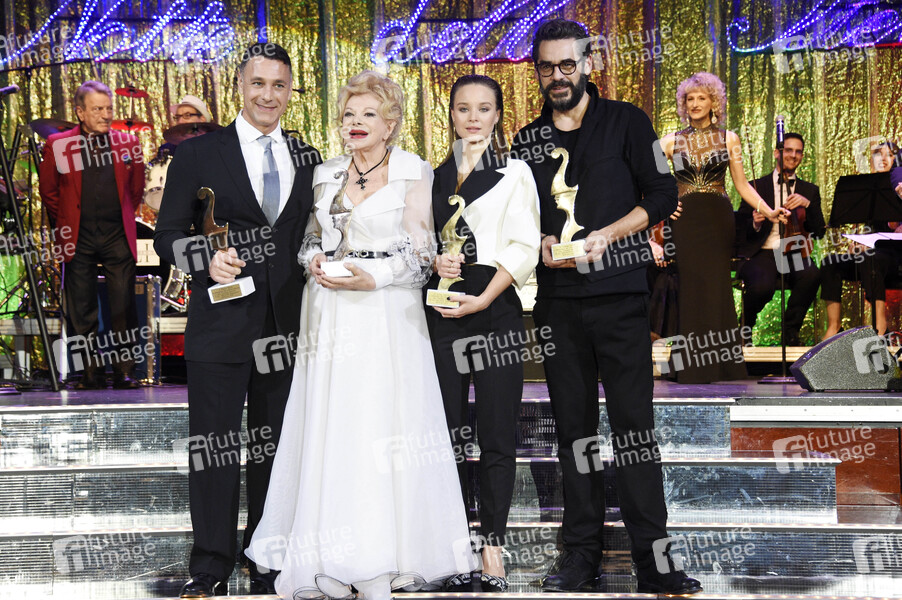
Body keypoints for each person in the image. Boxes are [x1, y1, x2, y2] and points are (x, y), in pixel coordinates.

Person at [246, 70, 476, 600]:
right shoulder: (325, 172)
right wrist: (314, 261)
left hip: (386, 309)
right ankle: (324, 553)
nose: (356, 123)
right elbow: (308, 239)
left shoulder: (413, 170)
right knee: (332, 424)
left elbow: (421, 251)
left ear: (390, 123)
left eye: (368, 114)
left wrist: (377, 277)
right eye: (349, 114)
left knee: (382, 424)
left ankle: (387, 555)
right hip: (328, 308)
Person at [510, 18, 701, 595]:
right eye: (547, 67)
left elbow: (662, 194)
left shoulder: (628, 121)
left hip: (620, 297)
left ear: (588, 64)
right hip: (558, 304)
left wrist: (611, 234)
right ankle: (579, 557)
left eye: (568, 64)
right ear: (537, 71)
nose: (558, 76)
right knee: (574, 435)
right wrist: (541, 240)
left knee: (635, 430)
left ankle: (656, 563)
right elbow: (520, 219)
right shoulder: (526, 140)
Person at [153, 42, 321, 597]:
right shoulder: (198, 154)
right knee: (214, 449)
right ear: (240, 87)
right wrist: (206, 257)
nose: (268, 95)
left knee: (276, 450)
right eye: (258, 83)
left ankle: (267, 556)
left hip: (287, 326)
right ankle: (210, 565)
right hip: (220, 325)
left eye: (279, 85)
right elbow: (167, 235)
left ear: (290, 91)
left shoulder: (308, 155)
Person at [425, 74, 541, 593]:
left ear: (497, 115)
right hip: (442, 309)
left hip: (494, 306)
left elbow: (524, 245)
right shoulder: (431, 176)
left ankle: (492, 546)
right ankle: (452, 545)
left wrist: (486, 297)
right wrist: (435, 260)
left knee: (496, 434)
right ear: (450, 113)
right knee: (446, 434)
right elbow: (418, 241)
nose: (473, 118)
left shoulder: (515, 170)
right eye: (463, 108)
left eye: (484, 108)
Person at [659, 72, 787, 382]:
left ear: (713, 102)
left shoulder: (730, 139)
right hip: (685, 220)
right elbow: (651, 182)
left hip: (717, 219)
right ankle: (690, 366)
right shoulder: (668, 141)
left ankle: (723, 365)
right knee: (691, 288)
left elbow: (741, 185)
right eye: (690, 99)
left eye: (701, 98)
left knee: (717, 288)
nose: (695, 103)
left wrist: (768, 211)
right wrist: (664, 205)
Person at [39, 80, 145, 389]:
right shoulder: (58, 144)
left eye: (109, 108)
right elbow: (49, 192)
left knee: (123, 305)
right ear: (80, 112)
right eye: (97, 109)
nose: (106, 115)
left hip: (116, 234)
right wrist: (68, 220)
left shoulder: (128, 143)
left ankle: (124, 371)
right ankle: (89, 373)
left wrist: (120, 216)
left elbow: (135, 191)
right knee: (82, 309)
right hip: (78, 235)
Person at [736, 132, 825, 346]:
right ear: (777, 153)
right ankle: (745, 326)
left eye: (798, 152)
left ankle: (790, 332)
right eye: (788, 150)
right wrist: (755, 223)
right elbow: (740, 229)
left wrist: (808, 205)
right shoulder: (755, 186)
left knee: (811, 275)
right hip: (763, 252)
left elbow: (819, 231)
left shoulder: (809, 191)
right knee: (762, 287)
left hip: (793, 252)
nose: (793, 155)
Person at [822, 141, 901, 338]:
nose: (883, 159)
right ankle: (834, 327)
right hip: (871, 254)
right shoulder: (865, 189)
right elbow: (864, 228)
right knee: (830, 262)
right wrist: (857, 242)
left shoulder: (898, 185)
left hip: (894, 255)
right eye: (878, 154)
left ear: (897, 160)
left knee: (870, 258)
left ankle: (880, 327)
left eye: (889, 154)